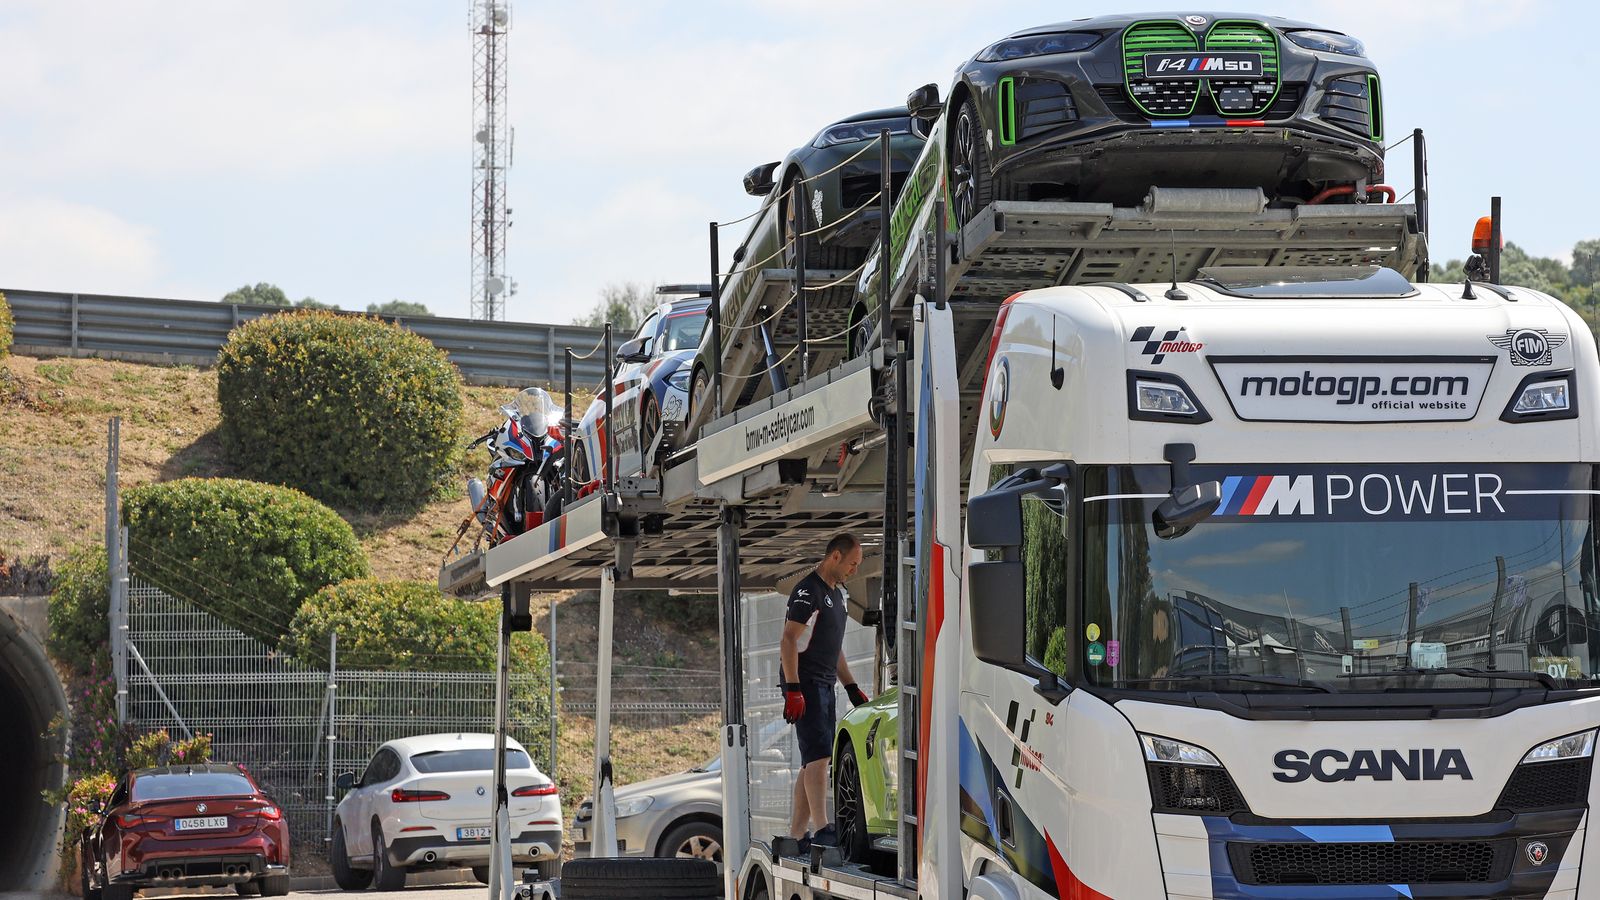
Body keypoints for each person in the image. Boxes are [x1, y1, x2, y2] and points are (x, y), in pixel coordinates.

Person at [781, 532, 869, 849]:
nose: (854, 571)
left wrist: (852, 687)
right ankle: (821, 828)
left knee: (811, 761)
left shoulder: (838, 595)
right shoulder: (808, 591)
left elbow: (834, 649)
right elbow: (789, 639)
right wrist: (793, 688)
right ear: (835, 556)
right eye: (852, 564)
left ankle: (797, 834)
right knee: (819, 756)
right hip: (804, 681)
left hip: (824, 682)